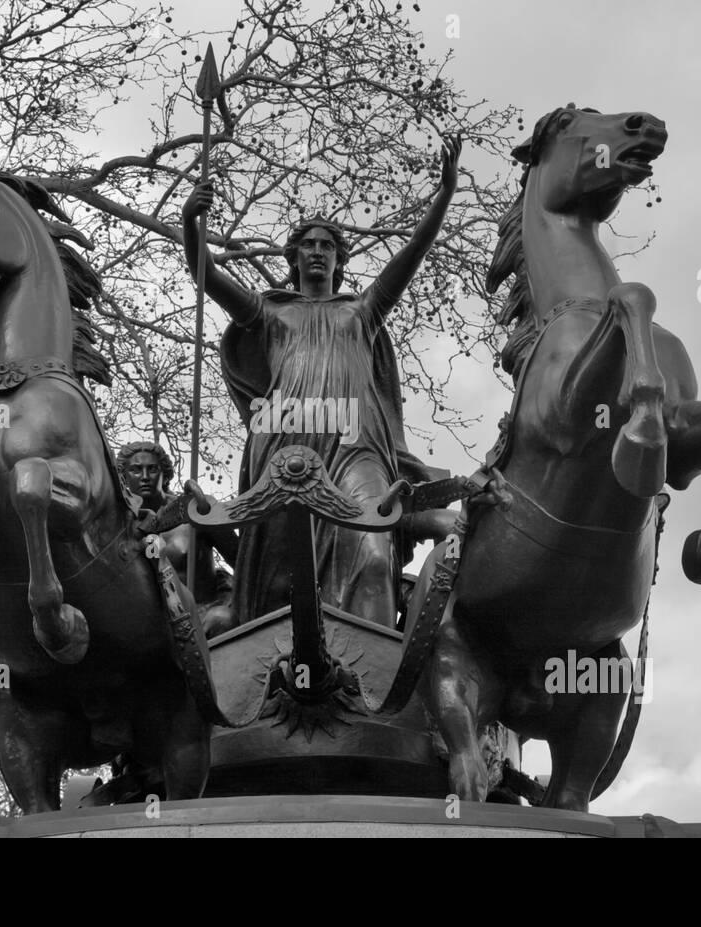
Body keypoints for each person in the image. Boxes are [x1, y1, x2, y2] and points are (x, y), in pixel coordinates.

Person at [181, 136, 462, 628]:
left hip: (356, 446)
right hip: (284, 446)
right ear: (293, 257)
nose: (317, 251)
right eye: (308, 245)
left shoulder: (363, 310)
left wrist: (445, 194)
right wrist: (189, 222)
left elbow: (413, 253)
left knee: (373, 551)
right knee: (275, 586)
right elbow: (206, 276)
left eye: (327, 245)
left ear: (339, 259)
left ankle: (368, 661)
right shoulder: (270, 312)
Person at [115, 441, 237, 634]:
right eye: (136, 470)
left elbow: (242, 560)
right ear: (124, 478)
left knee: (221, 619)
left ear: (164, 475)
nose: (144, 477)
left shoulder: (196, 511)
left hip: (207, 614)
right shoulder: (123, 532)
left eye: (152, 469)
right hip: (159, 626)